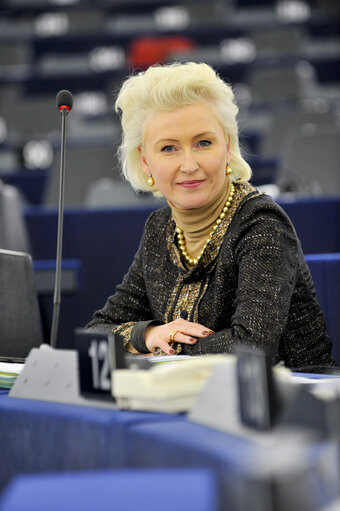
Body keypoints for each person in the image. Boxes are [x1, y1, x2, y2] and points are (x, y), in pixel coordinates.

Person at [87, 61, 336, 372]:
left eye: (203, 143)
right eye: (168, 148)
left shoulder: (261, 224)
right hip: (199, 402)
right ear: (145, 160)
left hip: (297, 406)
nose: (189, 164)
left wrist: (168, 342)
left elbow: (251, 348)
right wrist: (148, 333)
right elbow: (96, 333)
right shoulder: (159, 229)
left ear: (227, 147)